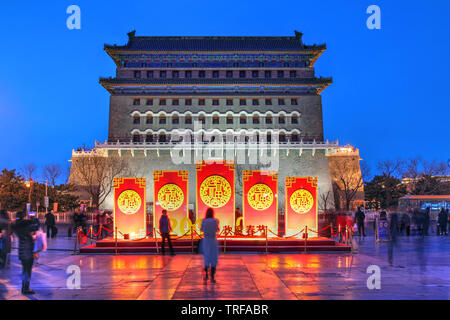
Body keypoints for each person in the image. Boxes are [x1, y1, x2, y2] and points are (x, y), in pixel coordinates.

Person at [11, 211, 39, 295]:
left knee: (25, 270)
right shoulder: (26, 226)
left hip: (22, 250)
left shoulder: (16, 226)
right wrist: (34, 218)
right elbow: (36, 226)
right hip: (28, 250)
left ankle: (24, 287)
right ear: (23, 217)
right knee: (27, 271)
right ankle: (26, 289)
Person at [200, 208, 219, 283]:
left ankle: (206, 275)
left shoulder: (204, 221)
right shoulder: (214, 221)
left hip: (206, 240)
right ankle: (212, 276)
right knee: (214, 258)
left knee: (206, 258)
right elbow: (217, 229)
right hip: (213, 241)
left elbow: (201, 229)